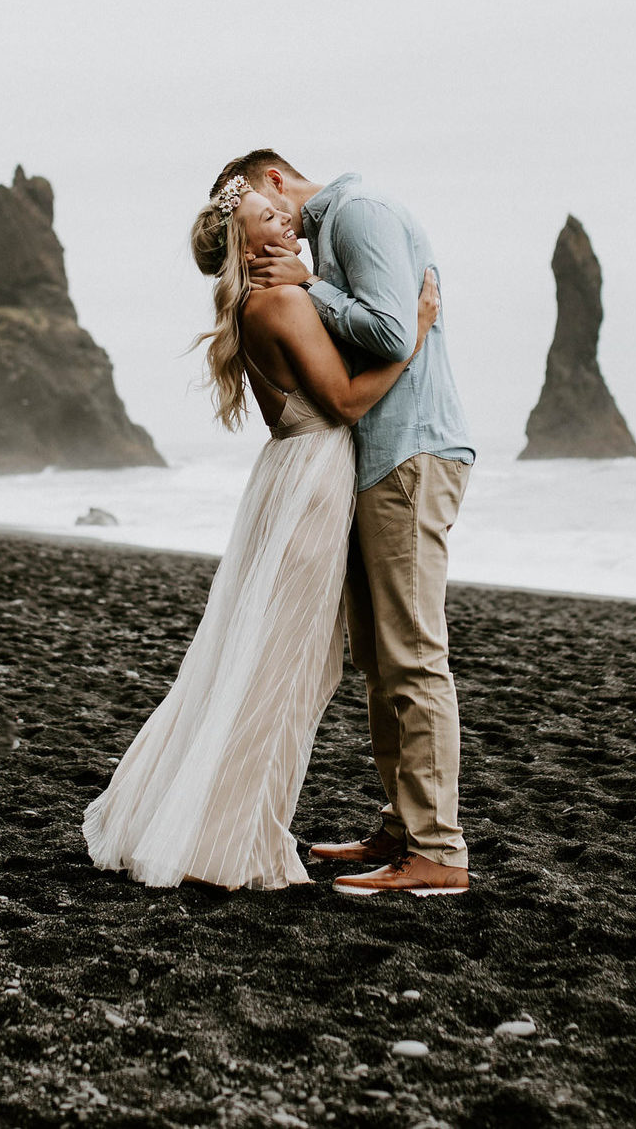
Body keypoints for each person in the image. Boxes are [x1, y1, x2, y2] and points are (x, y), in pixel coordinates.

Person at [81, 176, 441, 891]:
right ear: (248, 249)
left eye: (277, 209)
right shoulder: (281, 301)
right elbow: (345, 402)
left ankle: (215, 825)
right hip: (313, 478)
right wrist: (418, 331)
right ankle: (232, 841)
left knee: (266, 658)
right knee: (286, 666)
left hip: (289, 475)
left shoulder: (255, 303)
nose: (285, 216)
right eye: (266, 217)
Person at [219, 151, 478, 897]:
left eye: (260, 208)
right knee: (380, 657)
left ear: (274, 179)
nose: (271, 231)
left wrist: (311, 287)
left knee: (412, 655)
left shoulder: (358, 214)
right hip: (374, 460)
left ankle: (437, 849)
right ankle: (403, 828)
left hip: (409, 453)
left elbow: (394, 334)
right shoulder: (328, 236)